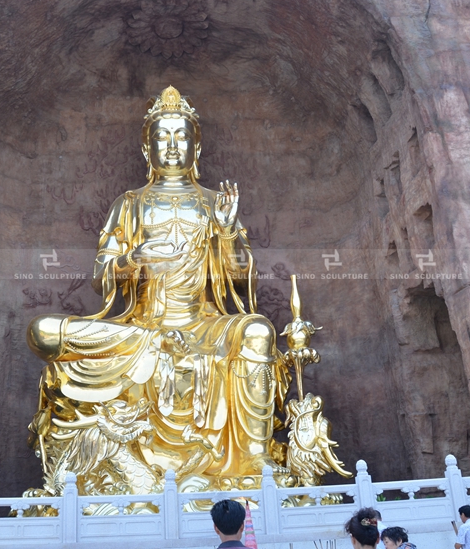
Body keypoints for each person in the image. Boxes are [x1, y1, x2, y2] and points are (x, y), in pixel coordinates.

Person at [27, 86, 289, 494]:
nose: (171, 145)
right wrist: (134, 259)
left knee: (257, 332)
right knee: (43, 331)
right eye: (161, 137)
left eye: (181, 136)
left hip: (203, 325)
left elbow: (242, 281)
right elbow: (100, 277)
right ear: (147, 150)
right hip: (143, 329)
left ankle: (252, 460)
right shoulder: (129, 204)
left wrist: (225, 232)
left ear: (196, 146)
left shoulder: (214, 203)